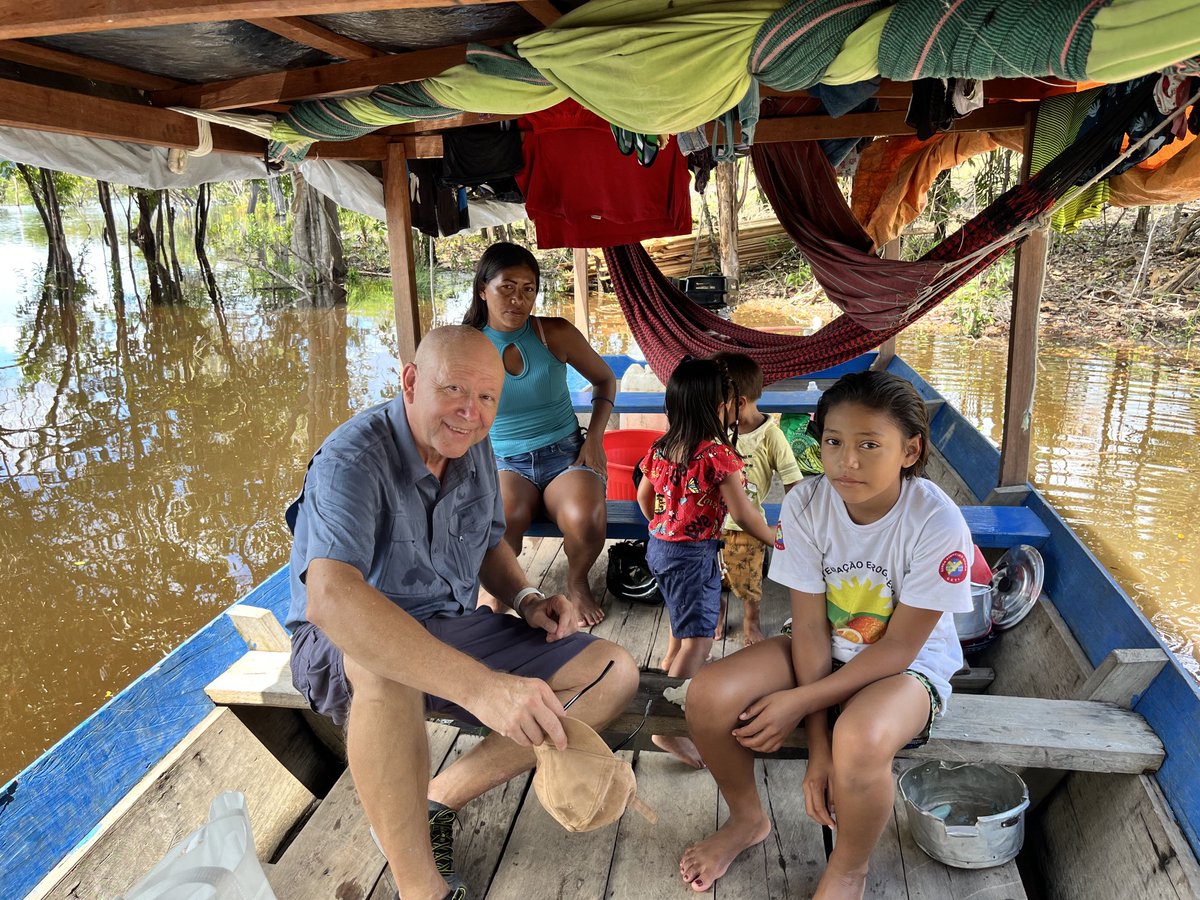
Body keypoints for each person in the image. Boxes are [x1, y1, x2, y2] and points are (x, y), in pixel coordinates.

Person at [284, 326, 638, 900]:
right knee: (386, 666)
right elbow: (331, 598)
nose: (470, 413)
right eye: (453, 390)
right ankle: (421, 888)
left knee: (613, 671)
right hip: (343, 643)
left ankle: (438, 799)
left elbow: (488, 543)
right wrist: (484, 690)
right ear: (410, 381)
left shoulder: (474, 445)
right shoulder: (353, 457)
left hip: (450, 624)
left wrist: (526, 599)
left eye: (487, 398)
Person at [678, 370, 973, 898]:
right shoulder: (807, 504)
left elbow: (901, 646)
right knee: (707, 696)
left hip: (905, 669)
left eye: (869, 444)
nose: (847, 461)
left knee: (857, 740)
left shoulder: (936, 521)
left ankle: (849, 866)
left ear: (910, 451)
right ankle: (747, 819)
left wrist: (802, 704)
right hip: (820, 652)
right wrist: (817, 747)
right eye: (833, 442)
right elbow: (811, 629)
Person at [464, 242, 616, 626]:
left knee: (585, 517)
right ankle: (503, 590)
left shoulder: (555, 334)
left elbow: (604, 380)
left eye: (528, 289)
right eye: (507, 287)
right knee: (501, 518)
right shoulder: (466, 344)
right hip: (503, 461)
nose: (518, 299)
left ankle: (577, 583)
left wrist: (594, 438)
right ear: (483, 288)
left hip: (566, 454)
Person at [635, 357, 776, 769]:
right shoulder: (719, 455)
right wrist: (775, 540)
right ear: (718, 408)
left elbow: (645, 498)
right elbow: (746, 515)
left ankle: (668, 668)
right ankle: (666, 727)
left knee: (682, 623)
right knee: (699, 642)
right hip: (694, 555)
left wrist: (664, 525)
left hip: (659, 548)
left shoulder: (662, 447)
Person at [711, 351, 802, 646]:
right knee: (710, 575)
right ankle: (718, 610)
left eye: (716, 404)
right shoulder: (715, 430)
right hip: (706, 522)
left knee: (748, 579)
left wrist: (794, 527)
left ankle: (751, 620)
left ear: (738, 403)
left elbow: (793, 483)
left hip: (747, 526)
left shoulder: (770, 436)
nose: (711, 410)